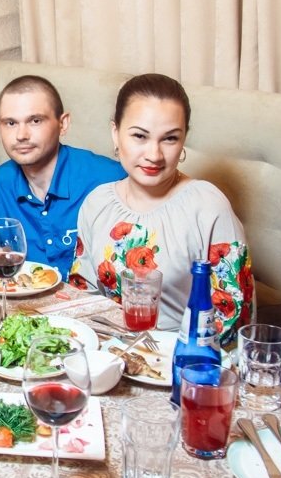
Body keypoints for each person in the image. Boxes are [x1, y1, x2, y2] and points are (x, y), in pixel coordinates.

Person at [70, 74, 254, 339]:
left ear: (183, 140)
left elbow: (234, 321)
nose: (154, 155)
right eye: (139, 136)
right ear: (115, 134)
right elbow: (82, 296)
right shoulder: (97, 202)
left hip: (183, 357)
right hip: (106, 352)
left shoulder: (208, 207)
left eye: (169, 139)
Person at [0, 75, 124, 269]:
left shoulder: (111, 179)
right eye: (10, 123)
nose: (21, 135)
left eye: (35, 121)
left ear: (63, 124)